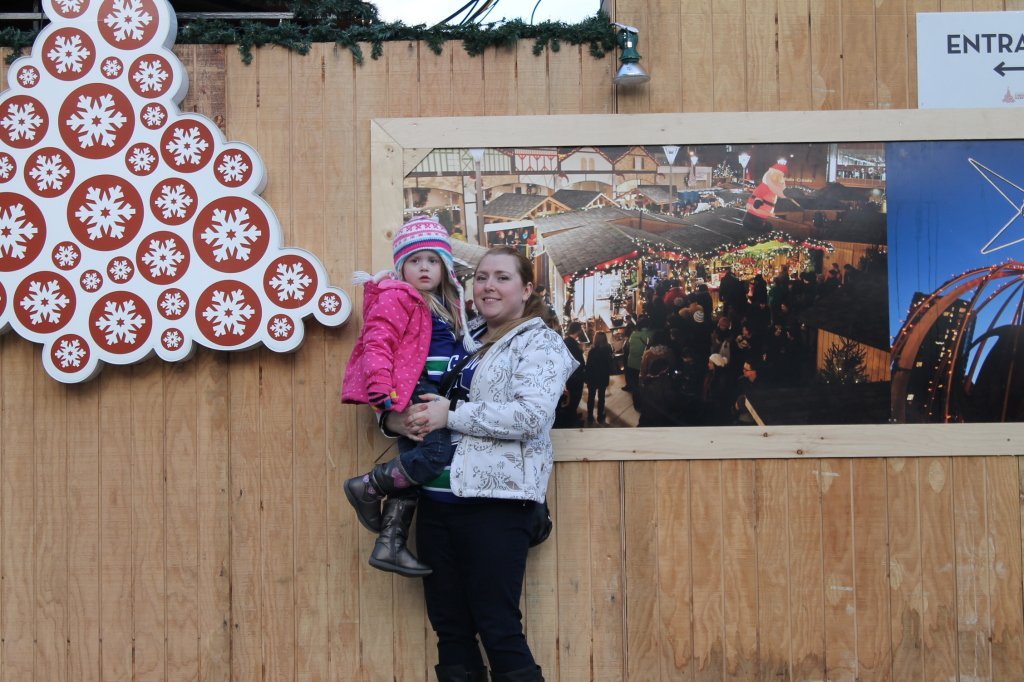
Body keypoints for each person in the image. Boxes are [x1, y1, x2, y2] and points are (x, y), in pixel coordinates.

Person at [384, 245, 577, 682]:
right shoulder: (463, 334)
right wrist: (394, 420)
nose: (489, 285)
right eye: (483, 277)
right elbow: (416, 390)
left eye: (503, 277)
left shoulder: (540, 341)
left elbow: (532, 416)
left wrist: (450, 415)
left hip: (496, 503)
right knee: (450, 631)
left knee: (499, 628)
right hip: (437, 502)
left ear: (527, 288)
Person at [340, 216, 479, 578]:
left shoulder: (447, 304)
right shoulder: (398, 296)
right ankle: (368, 486)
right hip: (413, 387)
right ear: (401, 266)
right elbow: (378, 343)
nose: (424, 268)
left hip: (431, 390)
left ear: (445, 267)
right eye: (415, 260)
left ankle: (390, 544)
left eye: (433, 260)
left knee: (412, 471)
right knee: (434, 454)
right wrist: (380, 390)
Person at [584, 331, 614, 425]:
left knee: (591, 397)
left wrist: (587, 377)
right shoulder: (608, 349)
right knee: (601, 397)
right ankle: (600, 416)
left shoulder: (592, 350)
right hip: (603, 376)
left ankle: (589, 417)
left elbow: (588, 365)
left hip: (593, 377)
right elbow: (610, 364)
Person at [561, 321, 587, 426]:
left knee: (573, 399)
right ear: (578, 331)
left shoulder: (566, 341)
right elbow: (578, 362)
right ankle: (573, 421)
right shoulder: (573, 344)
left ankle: (574, 415)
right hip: (575, 377)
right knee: (575, 399)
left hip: (570, 376)